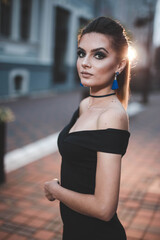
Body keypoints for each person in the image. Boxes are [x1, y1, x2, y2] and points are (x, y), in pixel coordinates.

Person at [44, 16, 131, 240]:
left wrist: (56, 190)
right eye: (81, 53)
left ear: (120, 64)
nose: (85, 62)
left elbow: (104, 209)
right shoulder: (85, 104)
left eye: (99, 55)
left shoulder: (112, 116)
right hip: (73, 230)